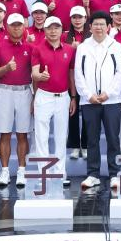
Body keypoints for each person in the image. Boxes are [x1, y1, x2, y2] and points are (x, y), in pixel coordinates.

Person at [74, 11, 121, 190]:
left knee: (113, 138)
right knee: (92, 139)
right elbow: (78, 73)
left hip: (112, 101)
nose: (98, 27)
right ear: (90, 27)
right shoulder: (83, 47)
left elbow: (120, 72)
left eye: (102, 24)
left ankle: (115, 174)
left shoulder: (116, 46)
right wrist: (88, 95)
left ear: (109, 27)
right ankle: (93, 174)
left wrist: (108, 93)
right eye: (95, 24)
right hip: (89, 101)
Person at [31, 16, 77, 184]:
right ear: (44, 30)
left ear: (61, 30)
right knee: (41, 137)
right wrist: (40, 76)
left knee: (61, 136)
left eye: (56, 28)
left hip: (63, 97)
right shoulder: (38, 49)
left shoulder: (69, 50)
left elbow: (71, 75)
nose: (53, 31)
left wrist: (73, 97)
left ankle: (60, 172)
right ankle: (43, 173)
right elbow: (34, 73)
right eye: (49, 28)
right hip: (44, 96)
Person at [0, 14, 34, 187]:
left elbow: (35, 72)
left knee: (23, 133)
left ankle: (22, 171)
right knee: (5, 133)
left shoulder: (30, 48)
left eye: (19, 25)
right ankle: (5, 171)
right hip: (5, 91)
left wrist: (35, 97)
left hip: (24, 91)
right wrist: (6, 68)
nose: (16, 28)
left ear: (24, 27)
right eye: (13, 25)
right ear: (7, 27)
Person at [64, 6, 89, 160]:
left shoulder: (91, 35)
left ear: (86, 18)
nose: (77, 20)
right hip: (70, 77)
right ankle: (74, 145)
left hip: (88, 79)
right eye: (74, 17)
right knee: (72, 113)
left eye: (80, 17)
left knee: (87, 113)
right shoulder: (64, 36)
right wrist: (70, 49)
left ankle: (85, 145)